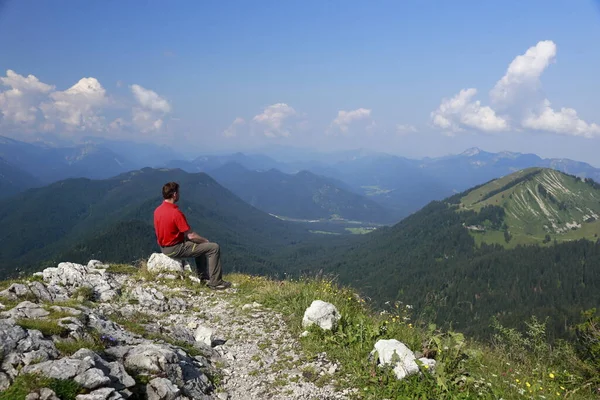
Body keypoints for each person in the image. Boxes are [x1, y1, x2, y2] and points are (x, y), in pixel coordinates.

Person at [153, 181, 231, 290]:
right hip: (175, 248)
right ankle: (216, 282)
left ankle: (203, 277)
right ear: (175, 194)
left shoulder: (158, 210)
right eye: (178, 192)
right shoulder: (175, 213)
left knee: (199, 246)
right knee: (213, 248)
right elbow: (191, 236)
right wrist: (205, 241)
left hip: (164, 246)